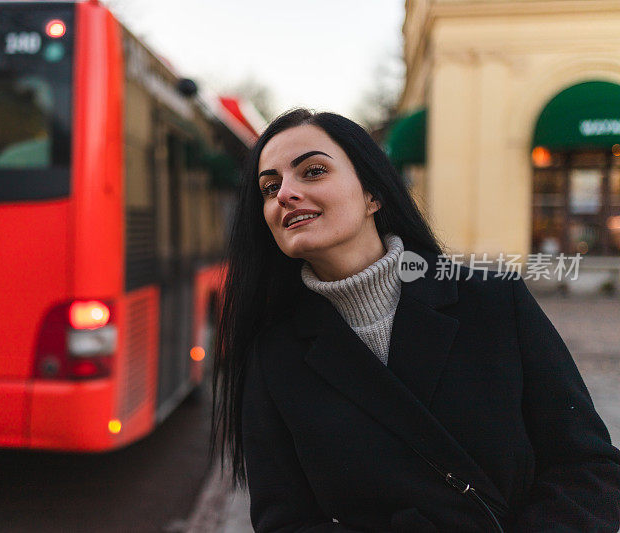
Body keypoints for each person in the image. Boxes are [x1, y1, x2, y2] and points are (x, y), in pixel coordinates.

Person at [210, 108, 620, 532]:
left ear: (373, 194)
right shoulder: (273, 355)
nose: (284, 194)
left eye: (312, 171)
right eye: (269, 187)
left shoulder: (493, 301)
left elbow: (586, 466)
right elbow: (286, 522)